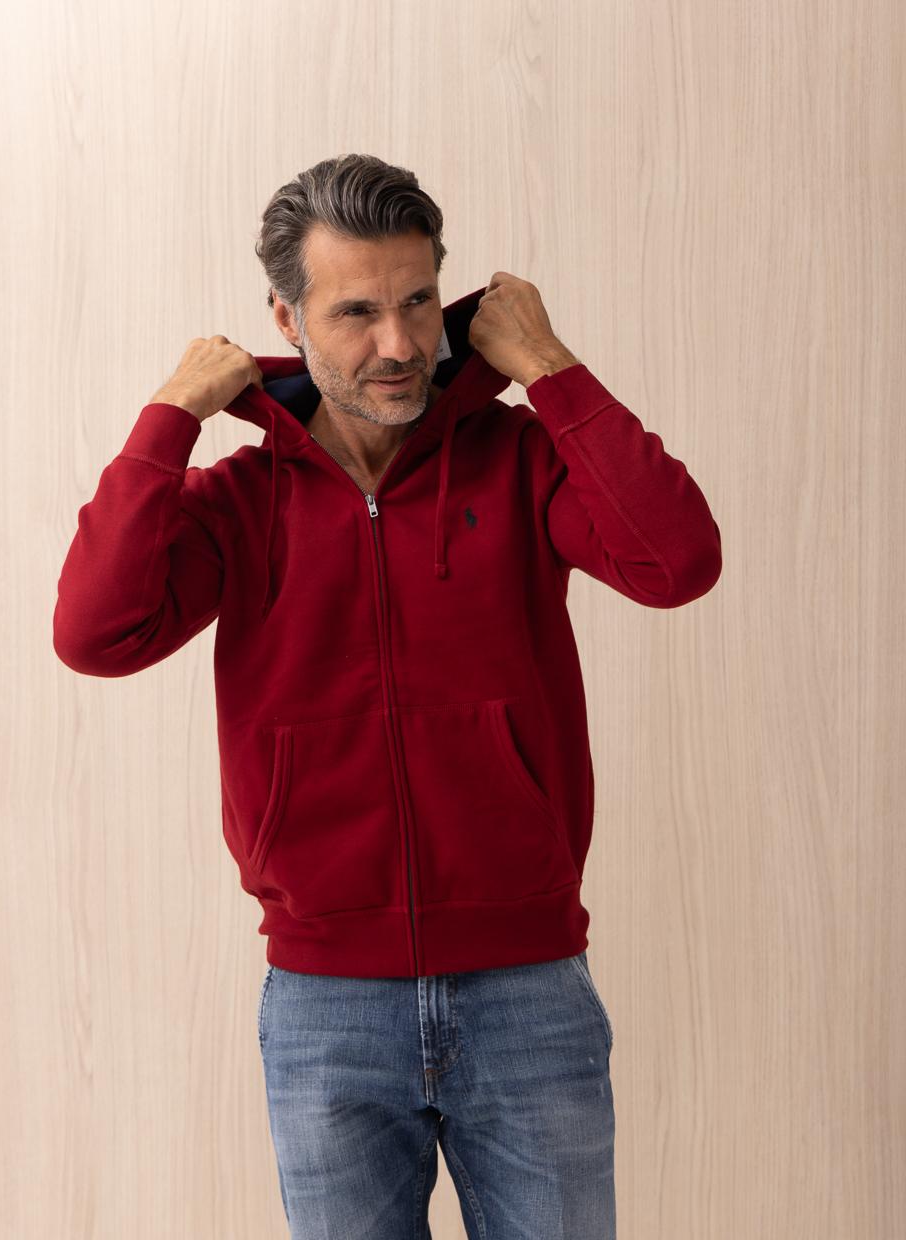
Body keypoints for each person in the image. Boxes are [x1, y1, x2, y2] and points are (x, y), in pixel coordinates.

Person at [53, 153, 722, 1239]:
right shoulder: (238, 504)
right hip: (327, 1006)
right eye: (356, 312)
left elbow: (676, 562)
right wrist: (170, 415)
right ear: (286, 316)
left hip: (527, 988)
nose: (401, 344)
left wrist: (551, 368)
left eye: (418, 301)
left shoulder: (520, 461)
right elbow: (96, 633)